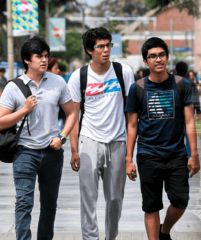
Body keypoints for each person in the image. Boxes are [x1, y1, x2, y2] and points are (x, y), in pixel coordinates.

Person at [0, 36, 77, 240]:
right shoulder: (13, 87)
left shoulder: (58, 82)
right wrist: (24, 109)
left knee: (49, 204)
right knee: (24, 203)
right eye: (39, 56)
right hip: (25, 152)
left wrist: (62, 136)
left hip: (52, 152)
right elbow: (1, 122)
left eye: (46, 56)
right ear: (27, 59)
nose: (44, 60)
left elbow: (72, 113)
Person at [125, 37, 200, 240]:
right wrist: (128, 159)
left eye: (161, 55)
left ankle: (164, 231)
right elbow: (132, 126)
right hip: (148, 154)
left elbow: (189, 122)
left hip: (176, 154)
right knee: (151, 205)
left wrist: (194, 154)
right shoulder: (137, 88)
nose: (158, 59)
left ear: (167, 57)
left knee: (181, 201)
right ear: (145, 60)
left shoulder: (182, 85)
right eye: (152, 56)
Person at [68, 27, 135, 240]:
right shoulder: (79, 77)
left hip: (117, 140)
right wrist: (73, 149)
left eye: (108, 45)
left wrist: (129, 155)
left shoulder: (123, 72)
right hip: (89, 139)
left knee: (115, 198)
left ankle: (111, 237)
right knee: (88, 197)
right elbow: (73, 116)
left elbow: (131, 114)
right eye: (100, 46)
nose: (106, 50)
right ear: (90, 50)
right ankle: (90, 238)